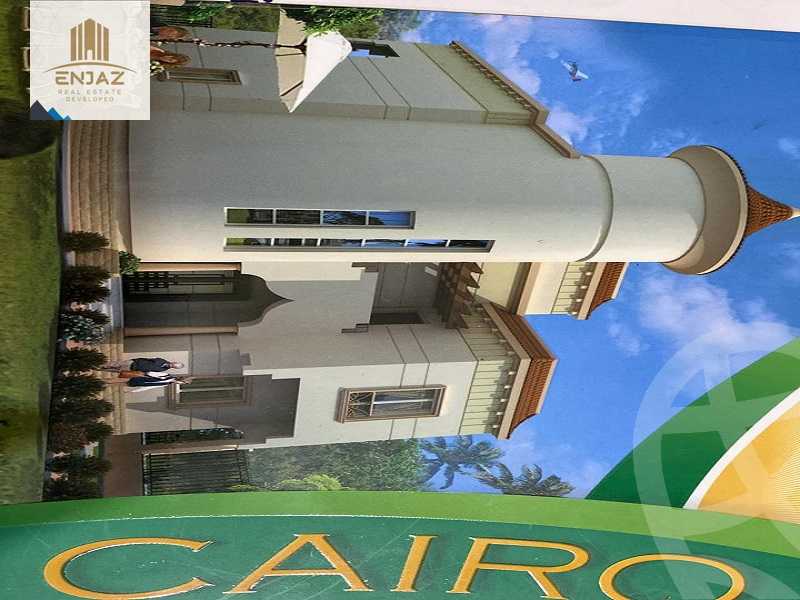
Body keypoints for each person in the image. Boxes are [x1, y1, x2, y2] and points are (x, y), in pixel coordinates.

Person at [102, 357, 184, 373]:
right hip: (133, 363)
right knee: (114, 364)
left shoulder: (162, 370)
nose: (172, 366)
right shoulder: (161, 360)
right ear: (174, 362)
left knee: (114, 370)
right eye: (174, 364)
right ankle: (99, 364)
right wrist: (134, 360)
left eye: (174, 367)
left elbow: (148, 372)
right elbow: (147, 359)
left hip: (133, 369)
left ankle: (100, 369)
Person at [125, 375, 193, 393]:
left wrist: (134, 391)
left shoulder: (166, 383)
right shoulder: (167, 376)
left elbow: (150, 387)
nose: (180, 384)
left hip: (135, 383)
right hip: (134, 378)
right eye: (182, 382)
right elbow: (150, 374)